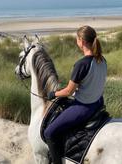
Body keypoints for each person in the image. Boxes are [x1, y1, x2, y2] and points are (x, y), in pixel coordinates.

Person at [44, 25, 107, 164]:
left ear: (82, 42)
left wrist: (53, 93)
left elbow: (68, 91)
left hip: (84, 108)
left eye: (77, 39)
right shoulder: (102, 60)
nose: (76, 42)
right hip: (98, 103)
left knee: (49, 133)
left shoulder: (82, 64)